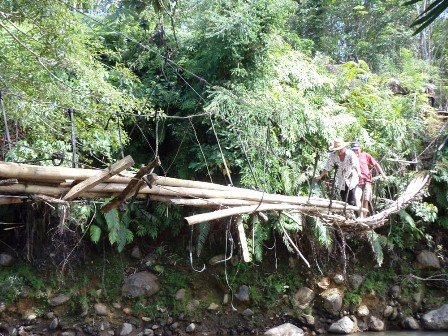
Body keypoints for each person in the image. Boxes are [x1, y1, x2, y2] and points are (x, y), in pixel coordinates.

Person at [316, 138, 361, 207]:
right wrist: (320, 176)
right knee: (344, 200)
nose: (339, 151)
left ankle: (352, 215)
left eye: (340, 149)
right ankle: (347, 215)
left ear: (344, 147)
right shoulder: (333, 155)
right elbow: (327, 167)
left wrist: (359, 173)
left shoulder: (350, 154)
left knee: (352, 201)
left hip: (351, 180)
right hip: (341, 181)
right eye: (337, 149)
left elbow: (356, 164)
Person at [351, 141, 387, 218]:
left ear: (360, 149)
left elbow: (376, 164)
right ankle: (360, 216)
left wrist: (383, 174)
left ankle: (363, 217)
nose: (355, 151)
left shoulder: (365, 155)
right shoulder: (350, 158)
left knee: (365, 200)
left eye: (357, 149)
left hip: (367, 182)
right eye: (353, 150)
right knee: (357, 198)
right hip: (356, 182)